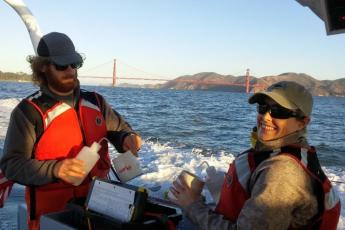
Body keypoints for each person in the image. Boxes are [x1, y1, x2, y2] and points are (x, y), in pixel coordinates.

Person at [0, 32, 142, 229]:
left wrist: (127, 138)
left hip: (99, 211)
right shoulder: (28, 112)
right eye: (61, 65)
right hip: (52, 217)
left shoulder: (96, 101)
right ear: (42, 67)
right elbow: (11, 165)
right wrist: (56, 169)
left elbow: (120, 129)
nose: (70, 71)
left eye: (74, 64)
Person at [170, 81, 341, 229]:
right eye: (263, 107)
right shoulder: (285, 154)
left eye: (279, 111)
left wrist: (192, 205)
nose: (265, 117)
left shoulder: (282, 172)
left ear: (303, 121)